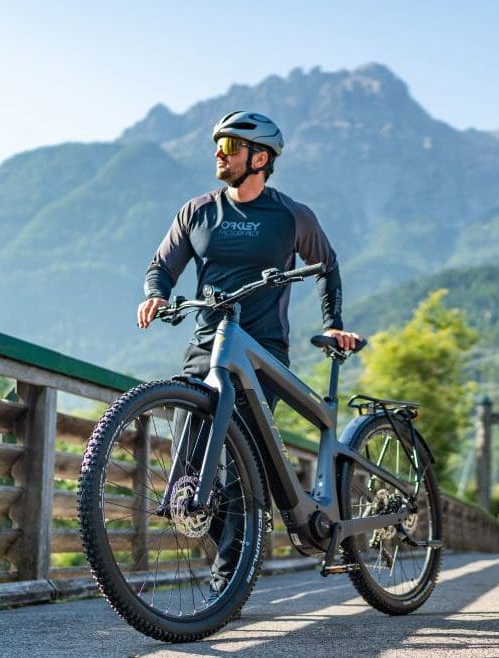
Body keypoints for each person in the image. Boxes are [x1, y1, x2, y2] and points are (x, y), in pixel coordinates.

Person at [136, 110, 361, 600]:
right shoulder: (197, 212)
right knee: (193, 473)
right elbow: (162, 265)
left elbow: (326, 265)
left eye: (230, 147)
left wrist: (332, 324)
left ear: (259, 158)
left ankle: (226, 584)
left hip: (263, 352)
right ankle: (235, 560)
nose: (219, 154)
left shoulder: (290, 216)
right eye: (217, 146)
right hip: (206, 347)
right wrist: (155, 292)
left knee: (244, 468)